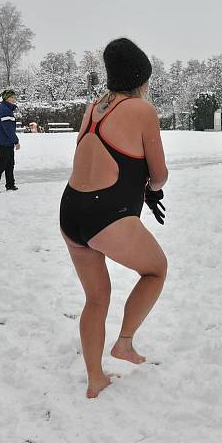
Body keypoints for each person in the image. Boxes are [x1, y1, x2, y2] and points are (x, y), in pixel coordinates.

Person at [59, 37, 168, 399]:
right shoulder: (142, 110)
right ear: (140, 77)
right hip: (107, 212)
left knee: (95, 298)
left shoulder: (94, 107)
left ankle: (96, 380)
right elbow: (160, 173)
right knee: (155, 270)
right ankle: (123, 343)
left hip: (71, 209)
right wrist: (151, 186)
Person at [0, 89, 21, 194]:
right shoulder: (5, 110)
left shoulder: (6, 109)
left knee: (9, 163)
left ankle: (10, 184)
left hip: (5, 142)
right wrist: (16, 141)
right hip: (3, 142)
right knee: (1, 164)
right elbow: (8, 129)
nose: (14, 99)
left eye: (14, 97)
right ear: (6, 99)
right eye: (11, 97)